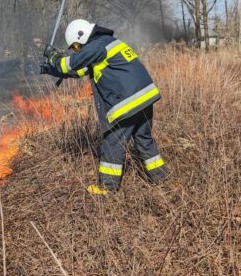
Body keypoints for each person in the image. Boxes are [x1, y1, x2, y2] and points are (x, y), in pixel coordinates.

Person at [40, 19, 167, 196]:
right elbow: (79, 70)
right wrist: (53, 70)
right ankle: (161, 178)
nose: (77, 51)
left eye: (76, 47)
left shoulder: (97, 45)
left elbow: (72, 63)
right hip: (145, 97)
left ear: (81, 36)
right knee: (143, 138)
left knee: (113, 140)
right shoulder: (107, 43)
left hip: (127, 100)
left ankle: (107, 188)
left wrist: (53, 57)